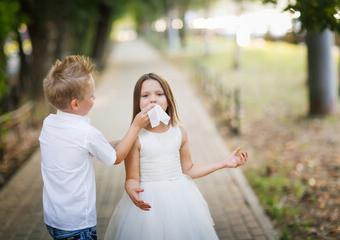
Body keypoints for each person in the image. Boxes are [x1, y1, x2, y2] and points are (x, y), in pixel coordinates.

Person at [104, 73, 248, 240]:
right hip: (148, 205)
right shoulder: (135, 137)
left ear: (168, 100)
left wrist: (222, 163)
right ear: (138, 103)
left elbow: (189, 169)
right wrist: (131, 190)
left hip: (181, 201)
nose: (153, 100)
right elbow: (131, 178)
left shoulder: (179, 132)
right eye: (145, 96)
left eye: (159, 94)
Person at [39, 56, 154, 240]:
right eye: (92, 96)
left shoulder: (49, 124)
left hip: (54, 220)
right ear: (76, 104)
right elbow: (115, 158)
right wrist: (135, 126)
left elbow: (84, 149)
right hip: (77, 224)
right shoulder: (87, 133)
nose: (95, 98)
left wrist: (125, 141)